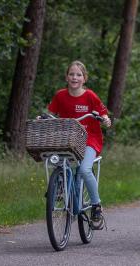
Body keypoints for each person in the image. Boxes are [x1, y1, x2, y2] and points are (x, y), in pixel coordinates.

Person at [47, 60, 111, 227]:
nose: (75, 77)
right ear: (66, 77)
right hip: (67, 138)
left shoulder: (90, 96)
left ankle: (96, 205)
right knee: (57, 160)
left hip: (89, 138)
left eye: (78, 75)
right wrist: (43, 118)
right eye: (71, 74)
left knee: (83, 169)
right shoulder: (60, 95)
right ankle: (60, 184)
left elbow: (103, 113)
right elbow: (50, 112)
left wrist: (104, 119)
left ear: (84, 78)